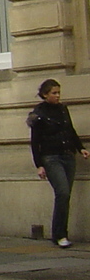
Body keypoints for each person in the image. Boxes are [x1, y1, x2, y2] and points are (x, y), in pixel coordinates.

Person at [29, 78, 87, 248]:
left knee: (66, 195)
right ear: (45, 94)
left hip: (67, 155)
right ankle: (59, 234)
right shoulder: (38, 114)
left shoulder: (63, 110)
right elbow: (35, 141)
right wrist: (39, 164)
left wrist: (80, 148)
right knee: (62, 192)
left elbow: (70, 130)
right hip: (51, 157)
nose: (57, 96)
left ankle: (61, 232)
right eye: (54, 93)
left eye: (58, 92)